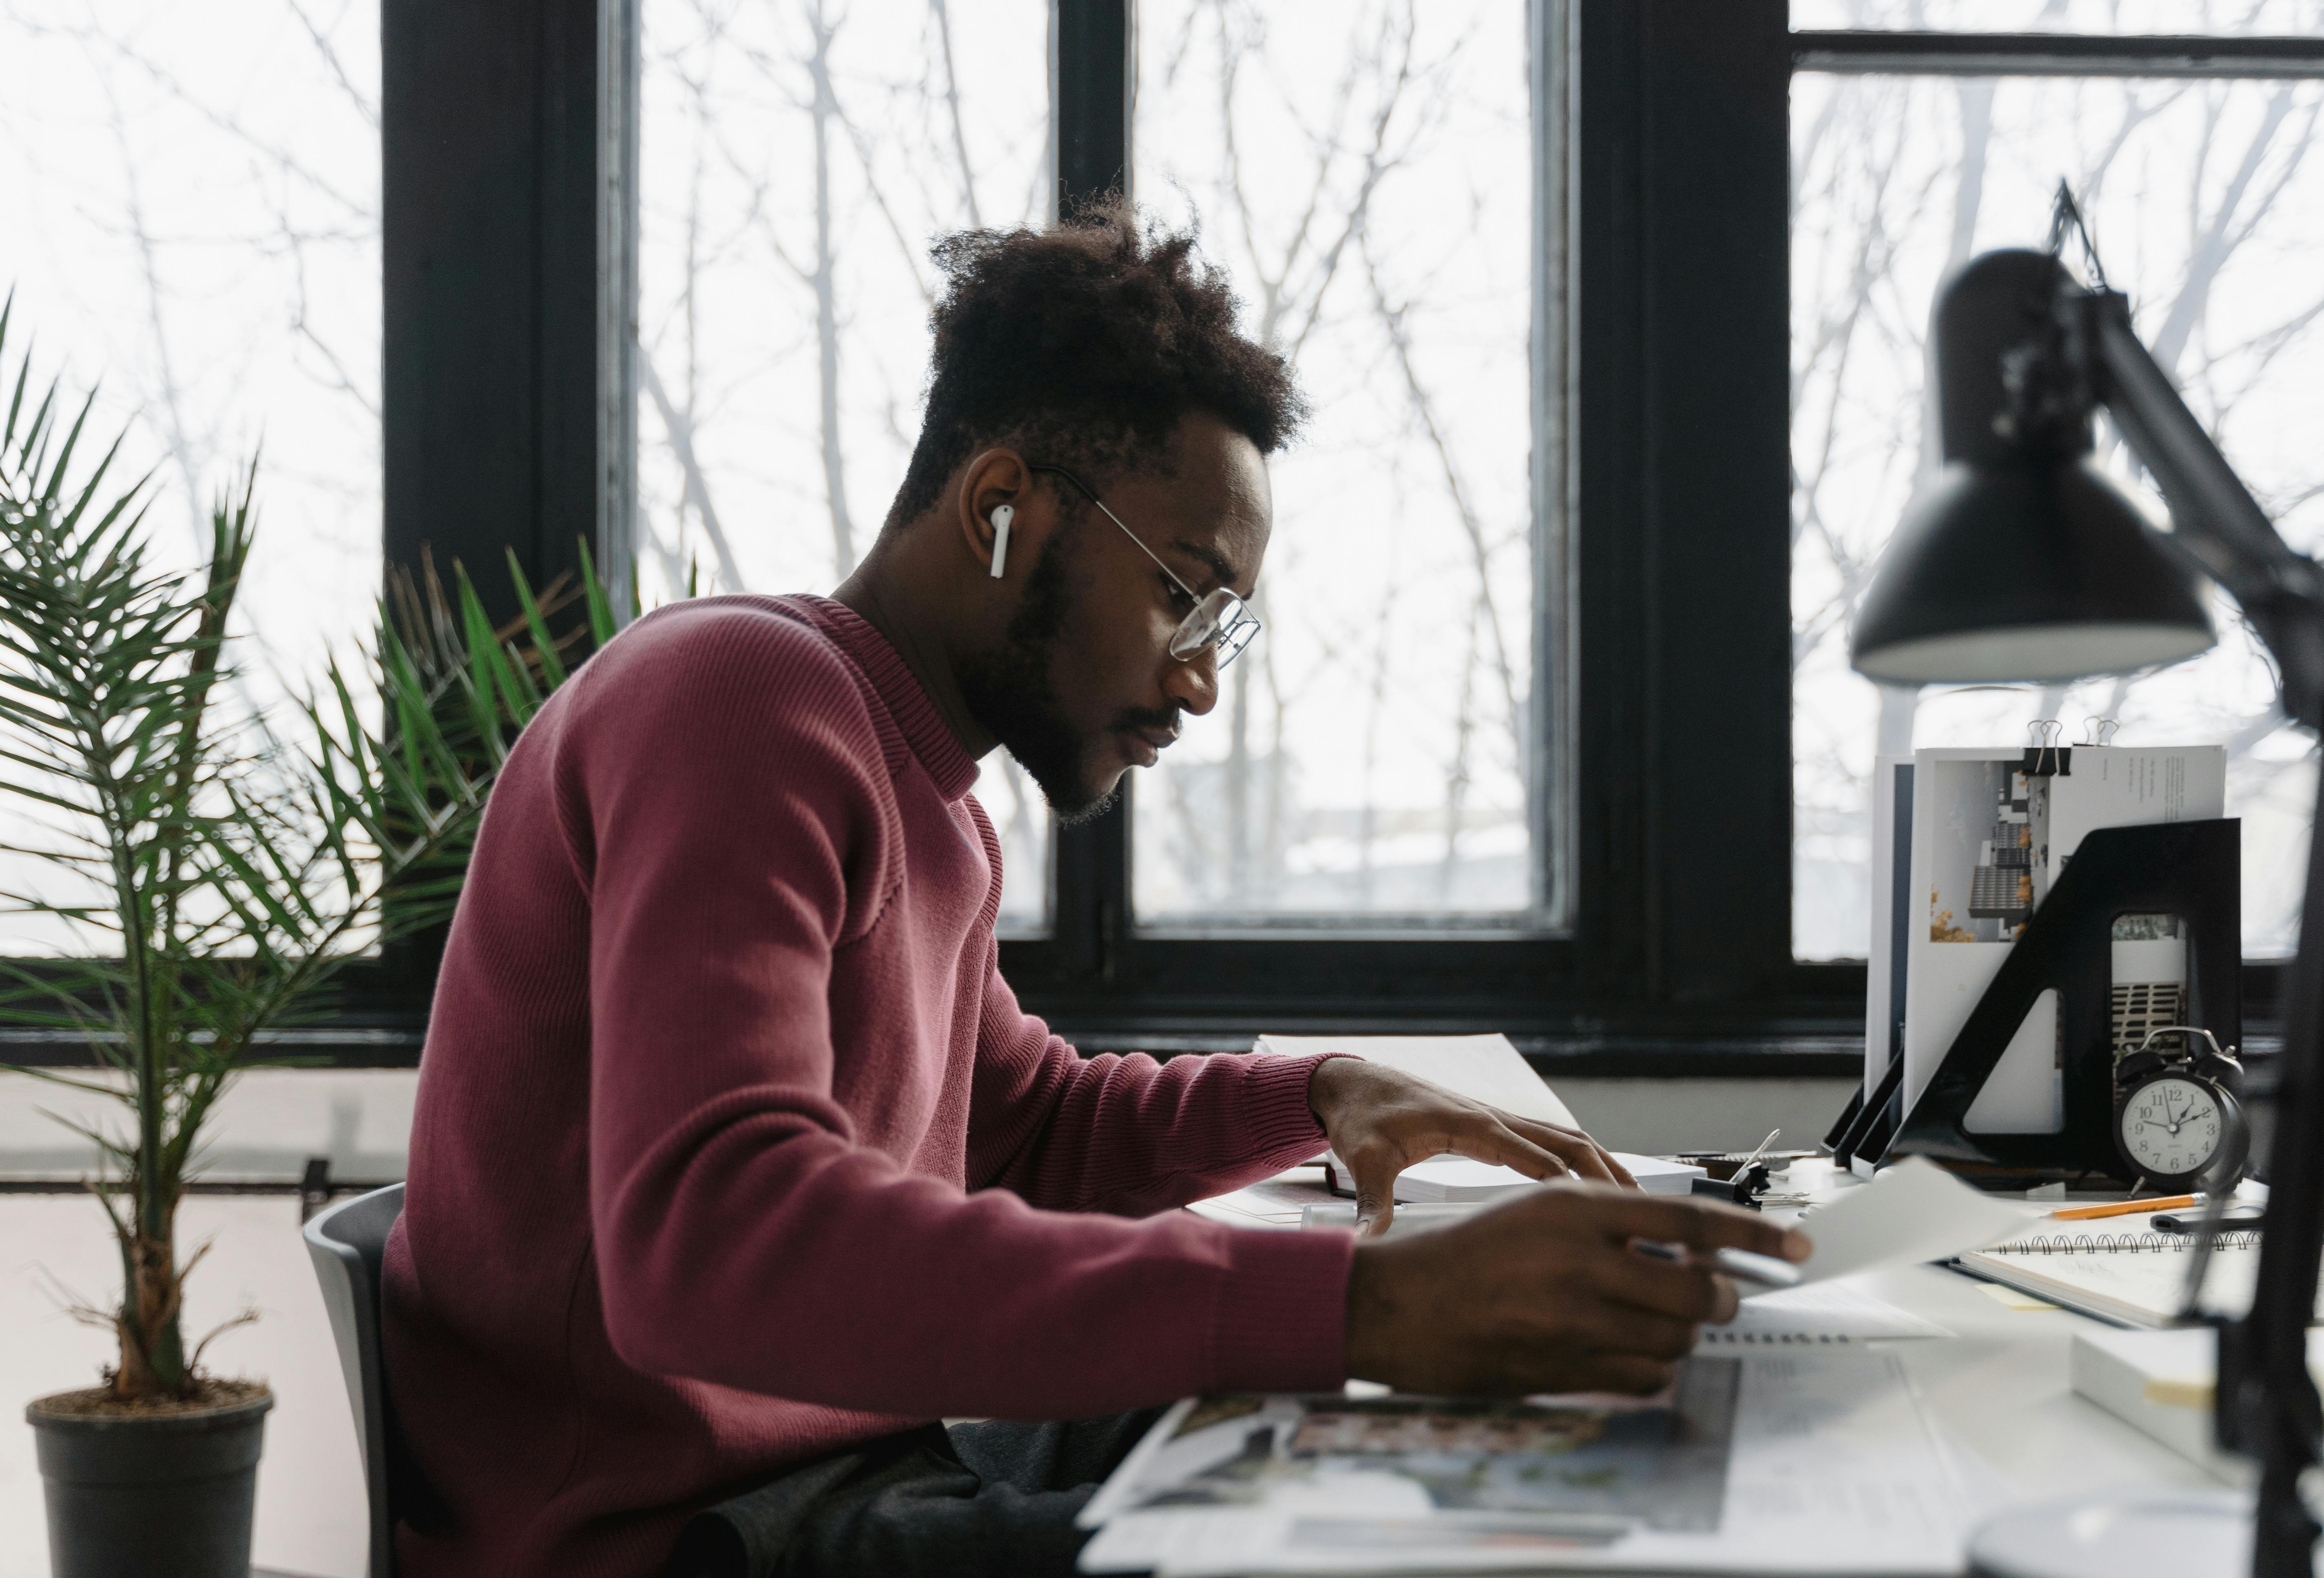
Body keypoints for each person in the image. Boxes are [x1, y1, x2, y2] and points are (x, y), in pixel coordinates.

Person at [382, 203, 1806, 1578]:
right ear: (1001, 504)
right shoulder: (739, 698)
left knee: (1381, 1447)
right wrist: (1367, 1303)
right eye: (1183, 595)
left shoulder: (926, 799)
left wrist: (1321, 1093)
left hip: (840, 1466)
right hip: (674, 1536)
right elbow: (713, 1240)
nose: (1195, 679)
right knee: (1381, 1536)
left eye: (1220, 627)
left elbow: (1031, 1128)